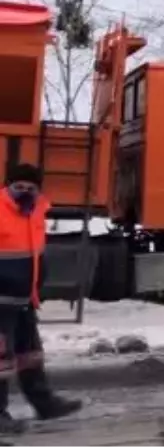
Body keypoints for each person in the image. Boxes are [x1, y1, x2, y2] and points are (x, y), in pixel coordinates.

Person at [0, 163, 82, 434]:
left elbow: (34, 256)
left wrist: (35, 290)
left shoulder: (34, 212)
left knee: (30, 355)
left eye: (30, 188)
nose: (24, 191)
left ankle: (45, 404)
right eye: (18, 187)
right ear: (8, 186)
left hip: (24, 299)